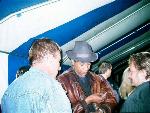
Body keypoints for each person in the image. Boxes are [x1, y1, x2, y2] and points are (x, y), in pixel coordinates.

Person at [1, 38, 72, 113]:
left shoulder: (8, 91)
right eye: (59, 61)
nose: (60, 67)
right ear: (49, 58)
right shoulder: (51, 86)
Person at [57, 41, 117, 113]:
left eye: (88, 64)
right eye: (82, 65)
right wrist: (87, 100)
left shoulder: (97, 78)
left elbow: (112, 99)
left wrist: (102, 110)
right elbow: (62, 110)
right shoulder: (62, 81)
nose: (86, 68)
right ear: (73, 62)